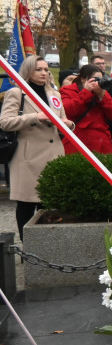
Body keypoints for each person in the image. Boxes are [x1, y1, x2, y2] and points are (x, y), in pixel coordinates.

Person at [0, 55, 73, 237]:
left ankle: (48, 245)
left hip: (53, 154)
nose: (44, 73)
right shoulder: (17, 93)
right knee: (26, 204)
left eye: (46, 69)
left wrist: (69, 125)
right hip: (27, 157)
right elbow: (5, 122)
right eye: (38, 69)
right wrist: (35, 117)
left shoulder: (54, 94)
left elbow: (62, 119)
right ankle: (27, 248)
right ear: (28, 71)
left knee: (51, 204)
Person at [59, 63, 112, 156]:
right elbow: (69, 111)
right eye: (95, 79)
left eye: (100, 79)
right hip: (78, 141)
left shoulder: (101, 92)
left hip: (102, 143)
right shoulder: (68, 91)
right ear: (83, 79)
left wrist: (102, 96)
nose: (97, 82)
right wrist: (86, 92)